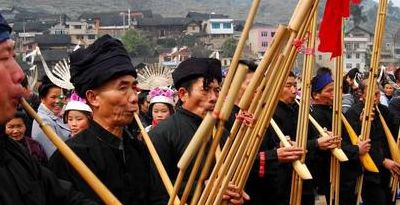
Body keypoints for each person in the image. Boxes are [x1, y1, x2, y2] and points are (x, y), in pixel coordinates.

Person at [49, 35, 164, 205]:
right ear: (93, 97)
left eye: (134, 87)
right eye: (123, 88)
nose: (133, 98)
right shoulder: (69, 158)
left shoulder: (139, 150)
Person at [0, 12, 96, 205]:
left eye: (14, 56)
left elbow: (62, 195)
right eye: (4, 58)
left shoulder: (12, 151)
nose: (19, 74)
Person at [149, 57, 249, 204]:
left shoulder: (222, 131)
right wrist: (202, 187)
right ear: (183, 94)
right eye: (205, 90)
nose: (214, 98)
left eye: (217, 90)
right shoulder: (161, 134)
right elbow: (155, 189)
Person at [310, 68, 370, 205]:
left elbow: (346, 137)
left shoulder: (335, 111)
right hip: (334, 174)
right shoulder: (316, 116)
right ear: (316, 95)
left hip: (347, 173)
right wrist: (356, 150)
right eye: (329, 91)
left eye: (334, 90)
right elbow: (333, 146)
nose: (334, 94)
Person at [345, 79, 400, 205]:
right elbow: (357, 143)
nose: (376, 97)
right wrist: (382, 161)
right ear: (361, 94)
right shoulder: (353, 113)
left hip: (388, 171)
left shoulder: (383, 110)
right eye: (372, 94)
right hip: (369, 173)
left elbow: (394, 130)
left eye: (377, 94)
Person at [32, 75, 70, 158]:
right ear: (42, 98)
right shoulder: (42, 121)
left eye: (61, 97)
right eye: (53, 97)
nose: (58, 101)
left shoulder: (62, 114)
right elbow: (53, 155)